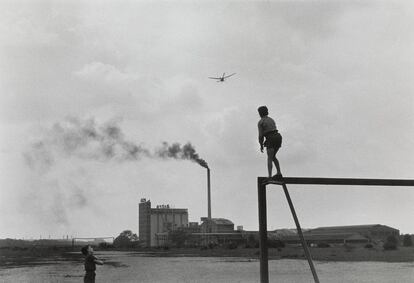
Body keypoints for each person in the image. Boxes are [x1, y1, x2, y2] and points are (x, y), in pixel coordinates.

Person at [257, 105, 282, 178]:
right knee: (273, 156)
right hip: (278, 137)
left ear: (260, 113)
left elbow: (260, 136)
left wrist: (261, 145)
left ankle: (270, 176)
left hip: (270, 138)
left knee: (270, 158)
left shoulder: (261, 122)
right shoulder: (271, 119)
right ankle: (279, 172)